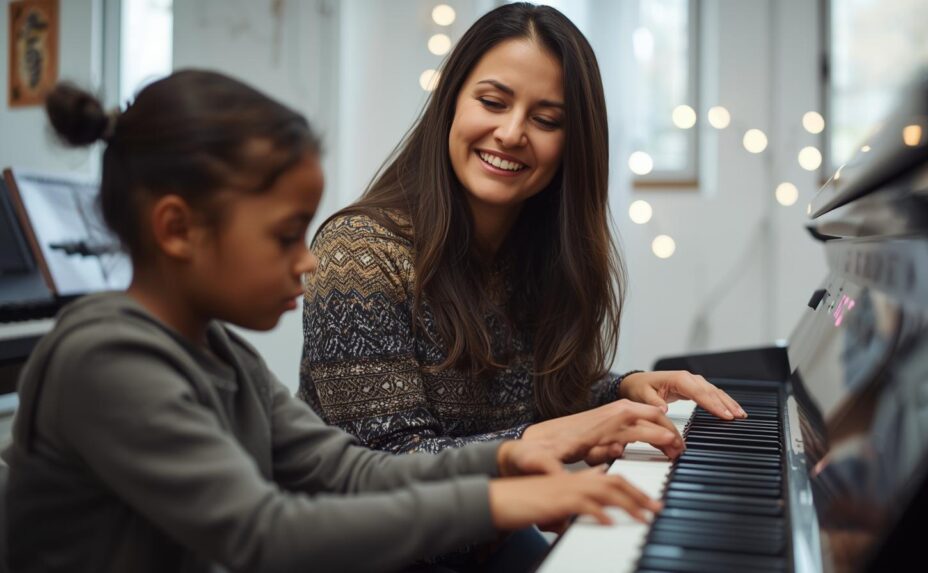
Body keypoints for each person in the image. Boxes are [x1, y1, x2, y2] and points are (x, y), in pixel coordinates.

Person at [2, 70, 681, 573]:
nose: (309, 262)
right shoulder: (108, 361)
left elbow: (345, 468)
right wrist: (501, 501)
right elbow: (264, 534)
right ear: (178, 229)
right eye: (285, 236)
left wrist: (504, 456)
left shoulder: (221, 352)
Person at [299, 2, 746, 458]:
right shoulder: (357, 253)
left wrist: (622, 389)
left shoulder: (537, 249)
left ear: (572, 144)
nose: (512, 133)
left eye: (546, 120)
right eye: (492, 102)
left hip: (489, 524)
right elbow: (387, 462)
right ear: (452, 99)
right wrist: (556, 438)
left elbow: (535, 397)